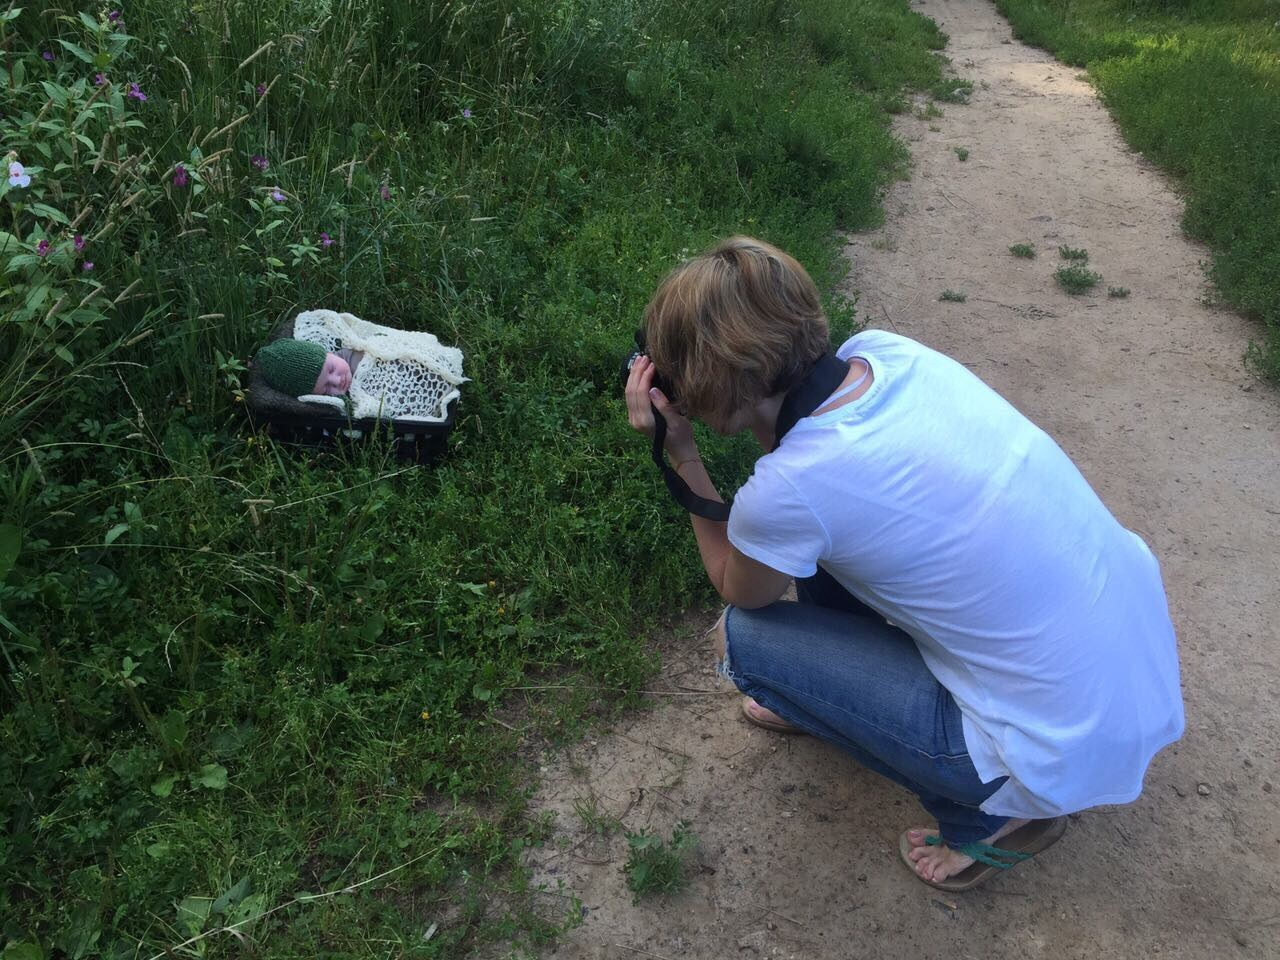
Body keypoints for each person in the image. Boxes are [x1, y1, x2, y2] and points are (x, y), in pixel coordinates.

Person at [623, 236, 1184, 892]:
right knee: (813, 541)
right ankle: (824, 701)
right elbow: (813, 489)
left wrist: (682, 452)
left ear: (710, 382)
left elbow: (736, 585)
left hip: (1052, 744)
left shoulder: (791, 489)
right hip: (1128, 670)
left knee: (743, 637)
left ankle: (994, 818)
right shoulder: (886, 353)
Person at [253, 309, 465, 422]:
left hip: (405, 367)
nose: (337, 381)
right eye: (327, 388)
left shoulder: (350, 348)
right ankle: (432, 398)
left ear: (328, 353)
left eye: (331, 369)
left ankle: (437, 378)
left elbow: (382, 340)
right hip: (397, 397)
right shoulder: (341, 399)